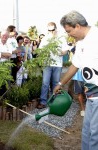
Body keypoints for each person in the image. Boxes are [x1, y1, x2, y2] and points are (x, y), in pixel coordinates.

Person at [53, 10, 98, 150]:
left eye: (69, 31)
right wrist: (61, 83)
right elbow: (75, 65)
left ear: (77, 26)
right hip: (90, 93)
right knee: (87, 131)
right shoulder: (81, 43)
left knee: (95, 134)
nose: (68, 34)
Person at [37, 22, 70, 109]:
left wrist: (60, 53)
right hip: (47, 63)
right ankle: (43, 101)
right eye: (49, 30)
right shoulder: (45, 38)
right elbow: (40, 50)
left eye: (52, 30)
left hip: (57, 64)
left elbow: (66, 50)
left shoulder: (61, 38)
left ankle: (54, 102)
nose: (51, 32)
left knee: (56, 83)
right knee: (45, 83)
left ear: (56, 29)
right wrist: (44, 53)